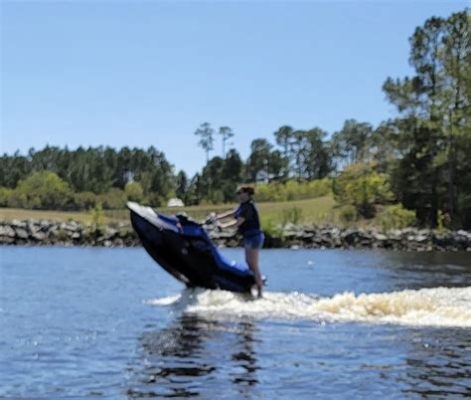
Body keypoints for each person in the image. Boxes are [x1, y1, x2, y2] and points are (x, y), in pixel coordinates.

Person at [211, 185, 265, 297]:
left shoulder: (248, 207)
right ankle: (253, 287)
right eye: (238, 193)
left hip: (254, 237)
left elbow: (237, 222)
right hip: (249, 237)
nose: (238, 195)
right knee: (249, 263)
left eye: (240, 193)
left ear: (247, 194)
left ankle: (260, 292)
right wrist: (218, 217)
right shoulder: (242, 206)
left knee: (253, 265)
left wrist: (223, 226)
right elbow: (232, 213)